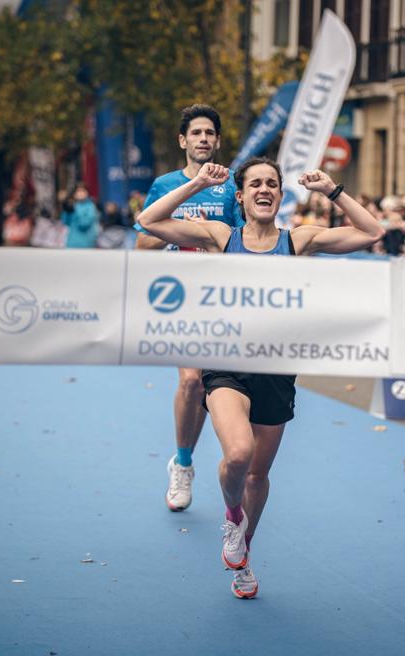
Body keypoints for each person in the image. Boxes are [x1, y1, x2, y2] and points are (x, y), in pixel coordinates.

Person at [138, 157, 385, 599]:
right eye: (255, 184)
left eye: (272, 183)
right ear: (241, 196)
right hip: (226, 364)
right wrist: (196, 184)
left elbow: (372, 232)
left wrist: (332, 190)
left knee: (257, 475)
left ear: (279, 195)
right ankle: (233, 519)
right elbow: (149, 219)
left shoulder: (298, 241)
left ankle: (244, 553)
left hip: (276, 369)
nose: (264, 189)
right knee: (238, 454)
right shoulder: (221, 237)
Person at [134, 104, 242, 513]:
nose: (202, 139)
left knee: (207, 390)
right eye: (195, 133)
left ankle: (203, 457)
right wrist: (180, 231)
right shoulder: (165, 185)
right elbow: (142, 244)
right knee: (191, 382)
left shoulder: (234, 184)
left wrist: (211, 236)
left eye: (209, 133)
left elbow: (245, 238)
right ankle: (182, 465)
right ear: (183, 141)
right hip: (179, 298)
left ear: (216, 141)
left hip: (221, 297)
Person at [63, 183, 99, 248]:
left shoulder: (90, 206)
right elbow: (65, 222)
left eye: (83, 191)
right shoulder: (72, 205)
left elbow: (84, 224)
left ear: (87, 193)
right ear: (74, 194)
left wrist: (76, 208)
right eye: (78, 191)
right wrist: (67, 210)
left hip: (86, 244)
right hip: (72, 243)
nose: (80, 193)